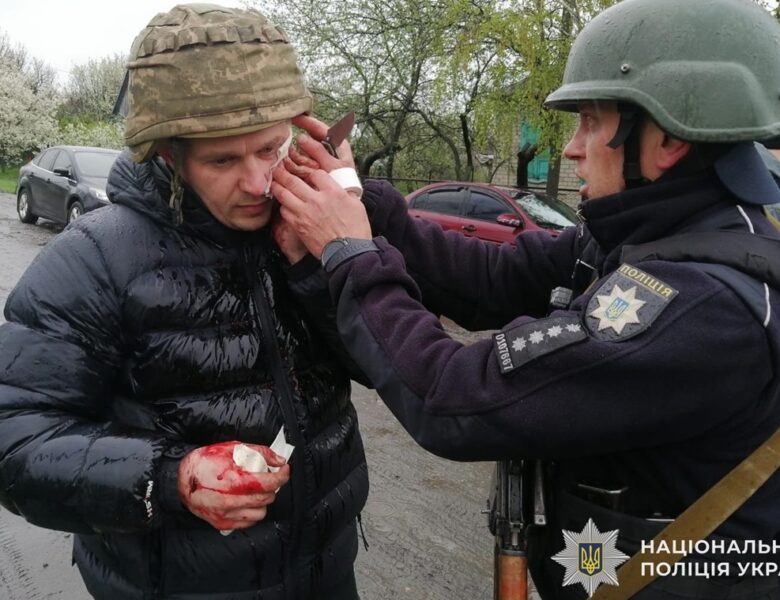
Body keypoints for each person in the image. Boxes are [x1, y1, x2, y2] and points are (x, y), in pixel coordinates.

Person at [270, 0, 780, 597]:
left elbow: (453, 397)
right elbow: (492, 276)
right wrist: (357, 196)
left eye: (590, 121)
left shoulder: (704, 306)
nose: (570, 147)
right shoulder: (642, 236)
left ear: (665, 139)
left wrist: (350, 252)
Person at [0, 5, 368, 600]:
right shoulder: (96, 258)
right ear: (170, 158)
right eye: (223, 160)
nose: (256, 183)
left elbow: (375, 363)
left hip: (327, 570)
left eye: (271, 148)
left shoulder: (312, 223)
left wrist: (330, 257)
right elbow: (14, 438)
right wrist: (171, 479)